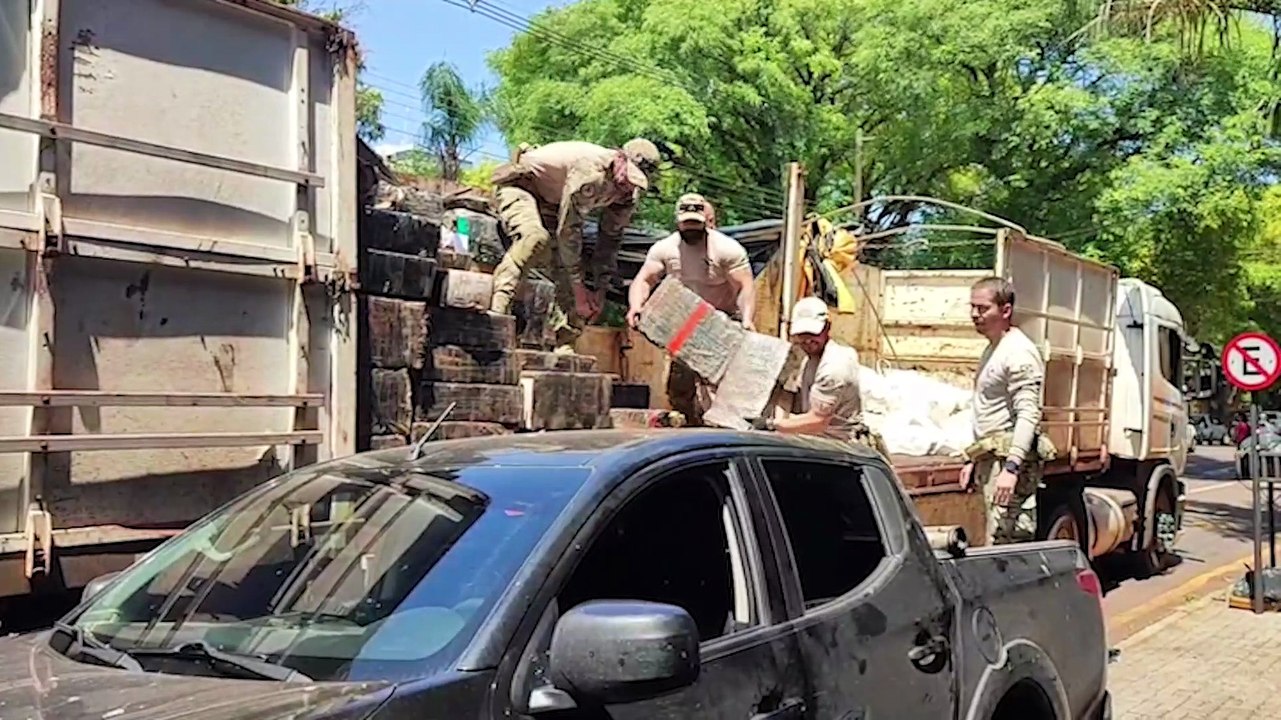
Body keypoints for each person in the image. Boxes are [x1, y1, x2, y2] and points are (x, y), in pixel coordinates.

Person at [489, 138, 661, 352]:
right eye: (629, 175)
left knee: (572, 269)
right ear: (619, 158)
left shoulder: (627, 195)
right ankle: (497, 314)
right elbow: (568, 231)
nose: (628, 185)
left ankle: (565, 347)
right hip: (522, 187)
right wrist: (580, 291)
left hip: (554, 205)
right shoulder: (591, 172)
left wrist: (599, 290)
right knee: (534, 239)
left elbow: (609, 242)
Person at [627, 193, 755, 424]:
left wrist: (746, 319)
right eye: (687, 224)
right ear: (678, 222)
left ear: (706, 221)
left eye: (696, 224)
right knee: (679, 388)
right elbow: (644, 280)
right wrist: (637, 306)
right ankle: (690, 424)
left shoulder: (727, 249)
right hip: (685, 325)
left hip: (721, 323)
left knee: (721, 386)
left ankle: (724, 427)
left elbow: (744, 286)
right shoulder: (664, 249)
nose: (692, 229)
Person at [958, 276, 1047, 546]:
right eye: (973, 307)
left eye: (983, 308)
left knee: (1007, 543)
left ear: (1006, 310)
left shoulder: (1019, 352)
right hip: (991, 459)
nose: (975, 314)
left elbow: (1028, 414)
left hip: (1006, 463)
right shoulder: (994, 348)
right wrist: (973, 458)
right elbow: (990, 410)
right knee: (992, 540)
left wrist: (1011, 468)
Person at [744, 296, 888, 456]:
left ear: (827, 328)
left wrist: (771, 425)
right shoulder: (807, 357)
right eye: (802, 334)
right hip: (814, 442)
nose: (807, 340)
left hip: (839, 449)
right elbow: (789, 395)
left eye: (813, 334)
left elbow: (817, 421)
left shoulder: (834, 366)